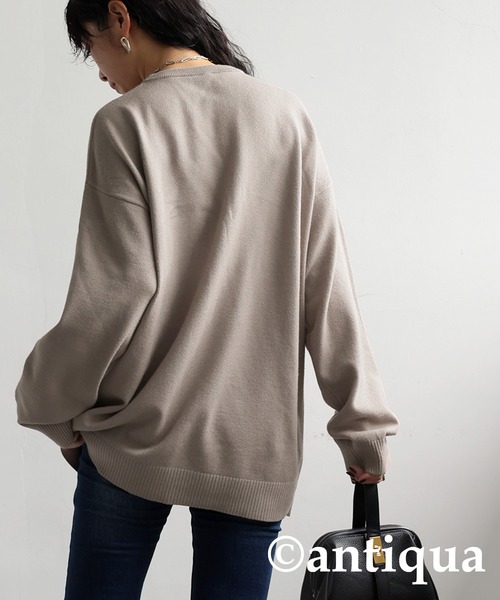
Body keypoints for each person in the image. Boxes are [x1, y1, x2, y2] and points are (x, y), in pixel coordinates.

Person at [14, 1, 399, 598]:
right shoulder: (283, 114)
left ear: (120, 18)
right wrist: (362, 423)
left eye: (91, 46)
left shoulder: (126, 122)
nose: (100, 72)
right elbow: (325, 283)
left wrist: (47, 407)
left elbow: (111, 298)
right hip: (252, 450)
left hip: (133, 436)